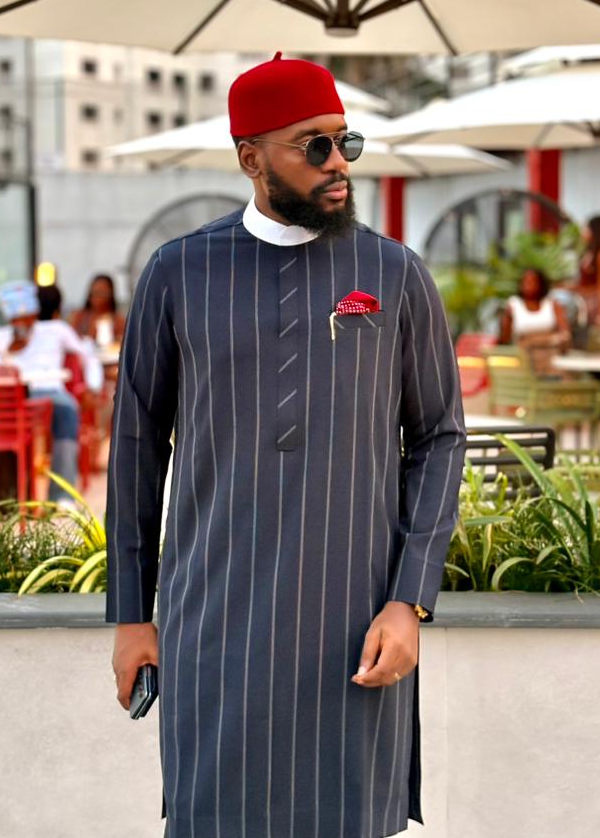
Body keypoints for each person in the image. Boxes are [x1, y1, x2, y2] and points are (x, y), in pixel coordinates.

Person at [106, 51, 467, 837]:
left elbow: (439, 437)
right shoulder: (178, 273)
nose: (339, 163)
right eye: (315, 146)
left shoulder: (394, 274)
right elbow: (136, 446)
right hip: (212, 621)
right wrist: (132, 615)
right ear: (251, 159)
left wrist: (409, 599)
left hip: (355, 621)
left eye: (346, 141)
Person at [0, 280, 102, 506]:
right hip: (7, 397)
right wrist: (7, 353)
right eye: (16, 318)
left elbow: (88, 356)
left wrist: (93, 386)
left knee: (67, 410)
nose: (22, 322)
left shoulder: (55, 330)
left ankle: (61, 495)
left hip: (47, 392)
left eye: (27, 316)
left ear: (35, 313)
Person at [499, 268, 571, 374]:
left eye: (533, 281)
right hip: (522, 361)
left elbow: (565, 335)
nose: (528, 285)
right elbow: (504, 340)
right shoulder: (513, 305)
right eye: (525, 281)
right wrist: (506, 320)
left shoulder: (552, 304)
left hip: (551, 360)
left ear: (541, 284)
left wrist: (531, 341)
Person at [70, 274, 126, 351]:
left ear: (110, 295)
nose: (97, 297)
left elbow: (122, 343)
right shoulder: (79, 316)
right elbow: (70, 340)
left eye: (102, 293)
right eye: (95, 292)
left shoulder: (118, 320)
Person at [577, 214, 600, 327]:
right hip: (583, 302)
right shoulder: (587, 253)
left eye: (586, 229)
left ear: (595, 232)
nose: (583, 232)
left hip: (596, 304)